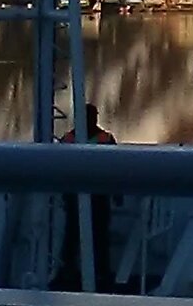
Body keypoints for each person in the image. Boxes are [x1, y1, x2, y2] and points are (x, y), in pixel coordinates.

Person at [53, 104, 117, 292]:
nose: (92, 120)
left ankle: (101, 272)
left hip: (99, 197)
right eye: (89, 117)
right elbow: (59, 169)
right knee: (72, 236)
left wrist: (117, 193)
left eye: (93, 116)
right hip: (74, 197)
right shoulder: (68, 140)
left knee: (100, 237)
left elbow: (116, 168)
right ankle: (67, 270)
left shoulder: (106, 139)